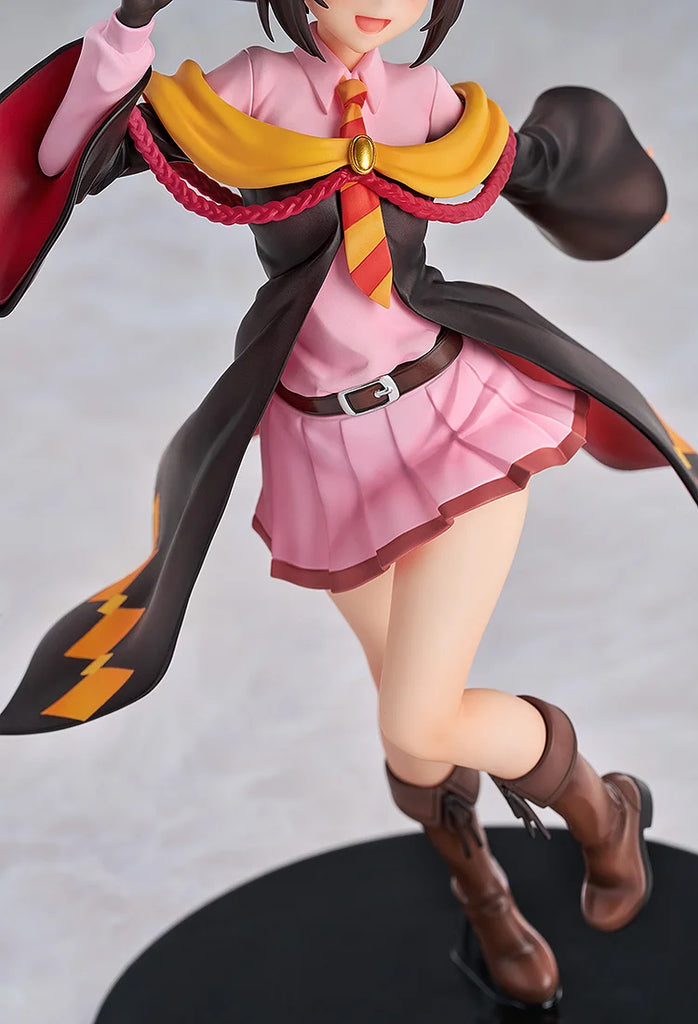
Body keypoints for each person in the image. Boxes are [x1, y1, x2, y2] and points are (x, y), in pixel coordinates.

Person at [0, 0, 693, 1008]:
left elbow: (533, 163)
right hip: (325, 449)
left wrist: (624, 192)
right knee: (405, 728)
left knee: (420, 715)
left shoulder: (426, 101)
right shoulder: (253, 90)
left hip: (454, 418)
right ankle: (486, 900)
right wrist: (129, 27)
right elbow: (81, 151)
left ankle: (597, 807)